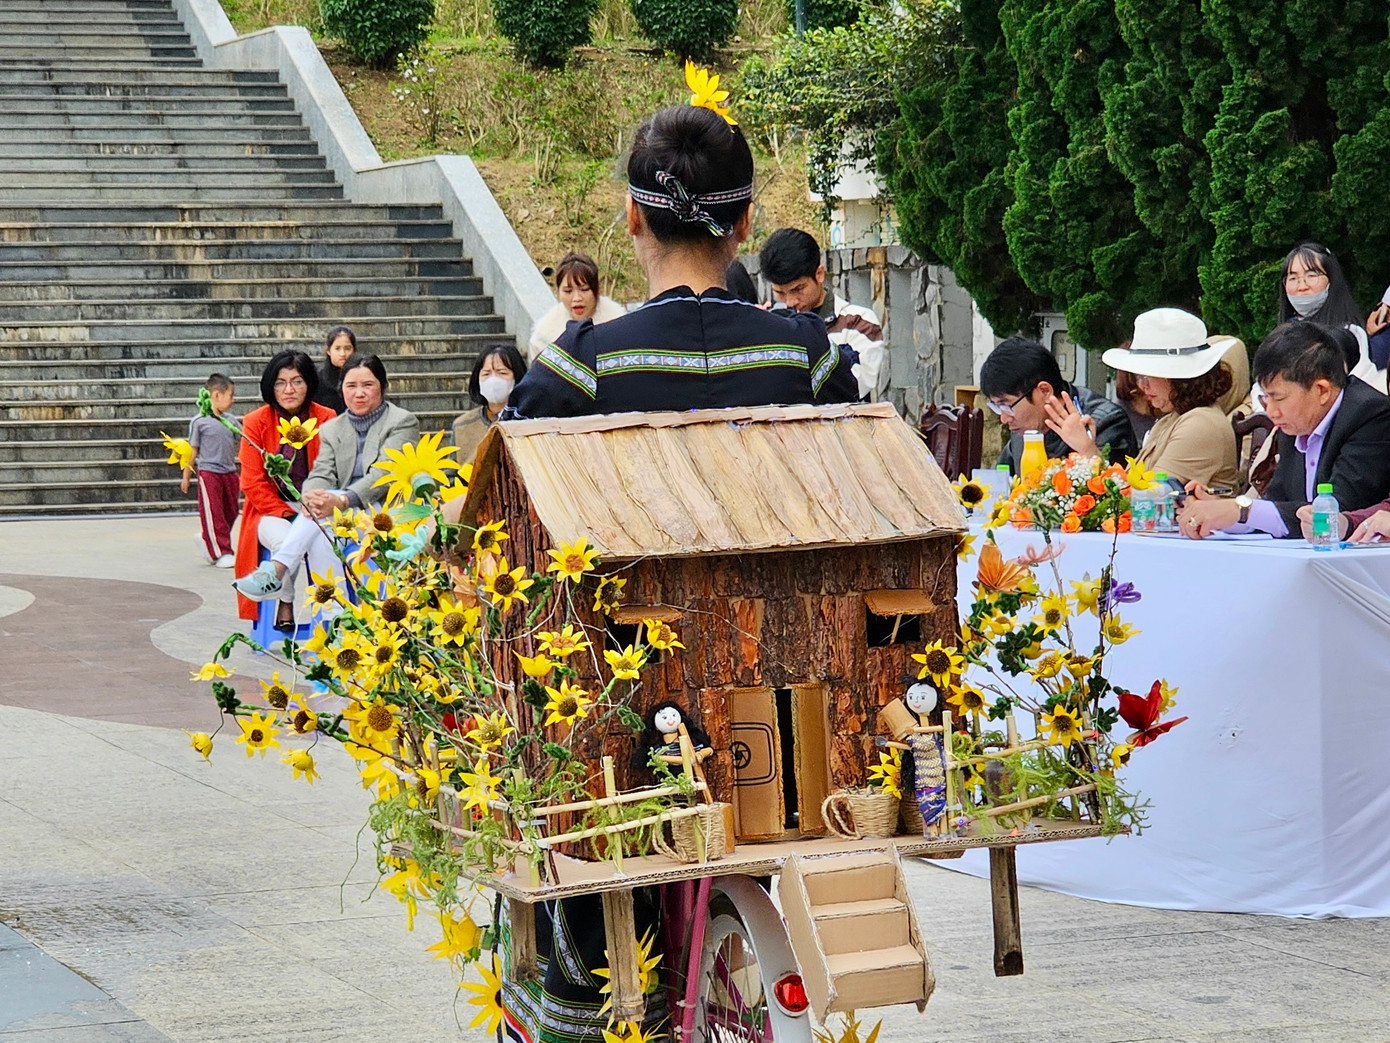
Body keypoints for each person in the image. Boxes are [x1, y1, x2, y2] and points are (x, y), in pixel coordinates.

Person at [506, 108, 858, 421]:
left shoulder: (579, 367)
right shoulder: (808, 357)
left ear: (632, 216)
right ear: (745, 222)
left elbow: (505, 469)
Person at [234, 354, 419, 611]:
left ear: (383, 386)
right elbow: (322, 471)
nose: (359, 394)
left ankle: (276, 570)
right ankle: (335, 621)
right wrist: (311, 498)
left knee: (322, 518)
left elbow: (383, 475)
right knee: (321, 532)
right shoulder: (334, 427)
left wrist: (341, 499)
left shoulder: (401, 421)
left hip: (384, 508)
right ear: (341, 390)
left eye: (368, 385)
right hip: (338, 510)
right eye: (351, 386)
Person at [1177, 322, 1390, 539]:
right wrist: (1223, 511)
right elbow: (1278, 507)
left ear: (1322, 390)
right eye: (1265, 398)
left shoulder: (1370, 415)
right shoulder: (1296, 420)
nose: (1271, 411)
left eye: (1278, 398)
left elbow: (1335, 513)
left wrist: (1242, 511)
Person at [234, 351, 338, 629]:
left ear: (310, 384)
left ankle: (332, 617)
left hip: (316, 506)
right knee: (285, 540)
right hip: (270, 510)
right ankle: (286, 601)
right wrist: (286, 514)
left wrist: (311, 507)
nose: (289, 390)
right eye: (280, 383)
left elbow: (332, 471)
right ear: (270, 386)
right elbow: (252, 483)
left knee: (320, 542)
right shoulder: (256, 421)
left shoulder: (326, 417)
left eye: (297, 381)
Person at [1101, 309, 1241, 490]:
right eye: (1138, 375)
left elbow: (1144, 497)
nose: (1143, 385)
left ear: (1178, 377)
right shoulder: (1173, 418)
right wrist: (1088, 451)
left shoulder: (1200, 423)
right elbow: (1128, 488)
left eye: (1148, 375)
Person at [759, 226, 885, 401]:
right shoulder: (768, 322)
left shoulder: (858, 322)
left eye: (798, 289)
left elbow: (853, 387)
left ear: (819, 274)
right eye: (780, 292)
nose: (790, 301)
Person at [980, 336, 1137, 473]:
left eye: (1006, 405)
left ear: (1045, 391)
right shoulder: (1024, 427)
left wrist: (1088, 450)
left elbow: (1114, 493)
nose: (1004, 418)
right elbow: (998, 482)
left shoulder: (1106, 421)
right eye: (997, 407)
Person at [1278, 241, 1385, 393]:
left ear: (1331, 280)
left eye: (1311, 275)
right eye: (1293, 278)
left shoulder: (1350, 333)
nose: (1302, 286)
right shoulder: (1282, 333)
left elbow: (1362, 384)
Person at [526, 251, 626, 363]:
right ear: (557, 292)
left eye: (584, 290)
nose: (577, 298)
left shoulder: (619, 328)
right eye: (568, 291)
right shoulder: (543, 337)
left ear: (597, 289)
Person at [184, 373, 241, 567]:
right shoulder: (199, 422)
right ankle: (221, 552)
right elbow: (192, 451)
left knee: (231, 511)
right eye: (230, 395)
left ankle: (207, 538)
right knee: (214, 512)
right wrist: (186, 476)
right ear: (216, 395)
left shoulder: (231, 421)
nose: (233, 401)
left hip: (229, 472)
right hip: (209, 473)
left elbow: (242, 443)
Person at [451, 342, 528, 464]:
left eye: (502, 373)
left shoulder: (529, 422)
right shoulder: (462, 426)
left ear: (517, 378)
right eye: (486, 374)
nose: (493, 380)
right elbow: (451, 476)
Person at [315, 325, 356, 414]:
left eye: (347, 348)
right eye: (337, 348)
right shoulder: (318, 378)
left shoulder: (363, 375)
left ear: (354, 350)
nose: (342, 354)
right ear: (328, 351)